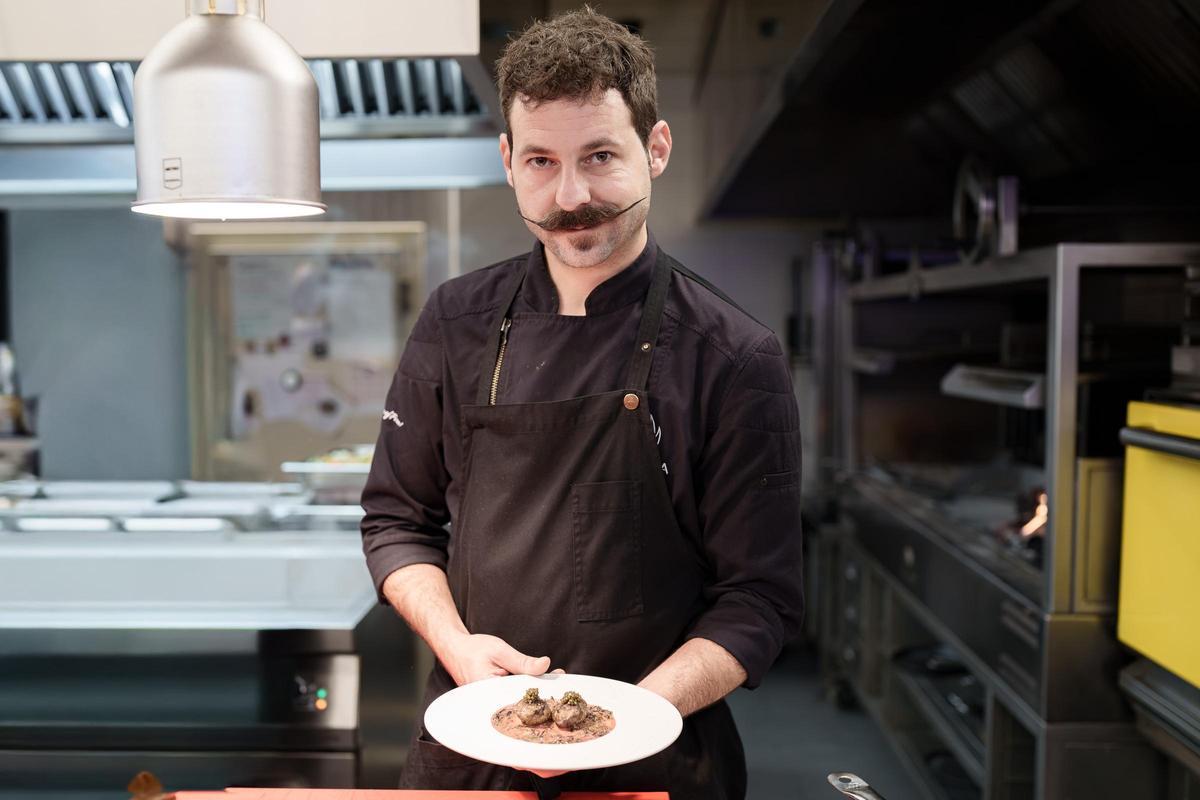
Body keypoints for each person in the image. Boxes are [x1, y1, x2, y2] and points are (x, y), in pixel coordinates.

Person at [360, 7, 804, 798]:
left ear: (655, 148)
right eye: (540, 161)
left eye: (600, 155)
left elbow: (760, 600)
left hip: (655, 763)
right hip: (469, 752)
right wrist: (459, 649)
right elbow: (397, 522)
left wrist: (626, 717)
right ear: (507, 161)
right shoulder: (454, 322)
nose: (571, 195)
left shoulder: (736, 356)